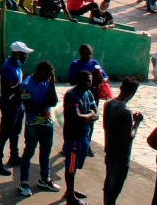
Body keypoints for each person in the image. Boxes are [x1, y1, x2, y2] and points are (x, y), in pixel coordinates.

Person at [19, 60, 61, 197]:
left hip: (47, 124)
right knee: (29, 152)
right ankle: (24, 182)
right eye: (48, 75)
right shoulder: (26, 85)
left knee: (45, 153)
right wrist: (45, 103)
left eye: (50, 76)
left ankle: (45, 179)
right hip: (33, 125)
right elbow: (30, 107)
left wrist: (53, 85)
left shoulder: (48, 82)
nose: (49, 78)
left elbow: (54, 102)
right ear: (40, 72)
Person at [0, 40, 32, 176]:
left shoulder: (17, 65)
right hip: (10, 105)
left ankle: (14, 155)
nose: (26, 57)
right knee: (5, 133)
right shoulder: (8, 67)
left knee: (15, 132)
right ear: (18, 54)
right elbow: (7, 88)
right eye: (24, 54)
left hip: (18, 105)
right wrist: (22, 86)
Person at [103, 79, 144, 205]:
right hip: (120, 156)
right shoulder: (126, 112)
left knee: (109, 181)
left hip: (109, 150)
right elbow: (128, 137)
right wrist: (136, 123)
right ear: (133, 92)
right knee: (115, 187)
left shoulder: (108, 104)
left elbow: (106, 127)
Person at [62, 69, 98, 205]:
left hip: (84, 136)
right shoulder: (72, 95)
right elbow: (76, 118)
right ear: (79, 81)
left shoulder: (88, 94)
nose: (89, 83)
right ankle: (70, 197)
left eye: (90, 81)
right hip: (73, 137)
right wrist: (90, 116)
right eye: (87, 80)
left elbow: (97, 114)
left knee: (76, 165)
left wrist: (86, 117)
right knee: (71, 166)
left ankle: (70, 190)